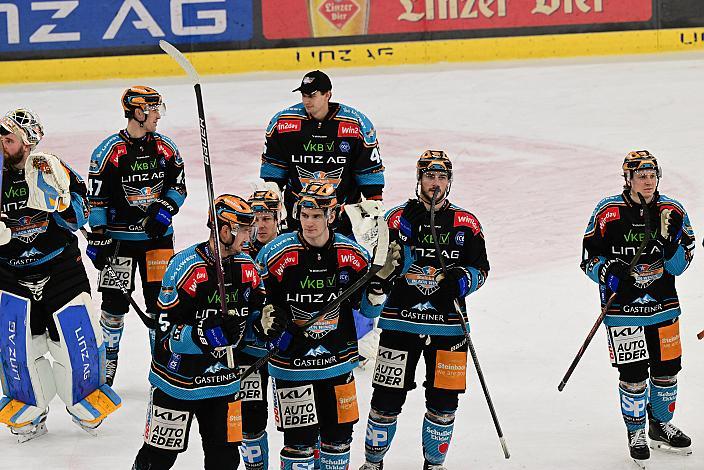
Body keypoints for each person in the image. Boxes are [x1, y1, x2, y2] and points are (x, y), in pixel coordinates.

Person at [359, 150, 490, 470]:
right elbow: (373, 269)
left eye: (442, 177)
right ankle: (373, 464)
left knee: (444, 404)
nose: (435, 183)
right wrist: (399, 246)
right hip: (399, 323)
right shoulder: (394, 218)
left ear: (450, 182)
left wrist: (461, 280)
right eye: (429, 176)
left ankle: (434, 465)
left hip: (449, 328)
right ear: (419, 179)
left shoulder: (466, 223)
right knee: (386, 401)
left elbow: (482, 269)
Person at [0, 108, 120, 442]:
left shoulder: (51, 169)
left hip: (60, 270)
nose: (1, 144)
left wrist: (63, 204)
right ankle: (28, 405)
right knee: (15, 350)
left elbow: (80, 217)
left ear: (27, 142)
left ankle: (83, 400)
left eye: (8, 139)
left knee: (77, 342)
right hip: (9, 276)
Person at [255, 182, 394, 470]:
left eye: (316, 216)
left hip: (338, 364)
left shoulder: (353, 255)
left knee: (339, 441)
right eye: (305, 216)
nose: (309, 223)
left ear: (331, 215)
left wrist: (379, 289)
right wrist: (264, 317)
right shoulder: (275, 253)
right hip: (291, 367)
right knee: (299, 445)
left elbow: (367, 310)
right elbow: (255, 302)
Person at [133, 194, 275, 470]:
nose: (251, 236)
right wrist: (201, 336)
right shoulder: (184, 266)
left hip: (225, 383)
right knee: (158, 459)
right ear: (224, 230)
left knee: (225, 460)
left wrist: (266, 324)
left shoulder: (248, 268)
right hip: (177, 381)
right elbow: (162, 331)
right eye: (244, 230)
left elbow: (252, 321)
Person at [579, 150, 694, 466]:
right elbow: (588, 258)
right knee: (633, 375)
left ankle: (659, 425)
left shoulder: (672, 210)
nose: (648, 181)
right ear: (627, 179)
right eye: (641, 176)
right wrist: (611, 277)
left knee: (668, 371)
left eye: (652, 175)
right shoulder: (608, 212)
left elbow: (683, 262)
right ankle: (636, 432)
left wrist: (671, 250)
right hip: (622, 311)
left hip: (664, 307)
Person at [86, 86, 187, 386]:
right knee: (114, 303)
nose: (158, 115)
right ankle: (110, 356)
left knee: (162, 303)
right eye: (154, 109)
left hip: (158, 241)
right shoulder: (108, 152)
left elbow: (178, 187)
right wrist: (98, 237)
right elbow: (97, 201)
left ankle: (161, 359)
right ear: (139, 112)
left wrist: (165, 211)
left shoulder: (166, 148)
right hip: (120, 242)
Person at [259, 70, 384, 234]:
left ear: (328, 95)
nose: (306, 101)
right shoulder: (283, 123)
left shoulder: (356, 124)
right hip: (300, 217)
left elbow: (368, 171)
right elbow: (273, 172)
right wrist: (272, 195)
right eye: (304, 95)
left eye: (311, 95)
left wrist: (375, 206)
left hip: (346, 218)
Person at [236, 188, 284, 470]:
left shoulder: (293, 247)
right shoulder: (238, 254)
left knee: (303, 422)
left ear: (278, 218)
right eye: (254, 219)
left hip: (288, 350)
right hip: (249, 351)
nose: (260, 225)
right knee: (250, 420)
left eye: (267, 218)